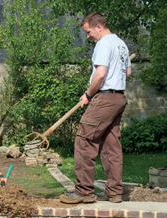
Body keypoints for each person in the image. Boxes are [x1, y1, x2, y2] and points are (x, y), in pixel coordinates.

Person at [60, 12, 132, 204]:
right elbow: (129, 72)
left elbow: (100, 75)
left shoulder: (104, 44)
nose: (88, 36)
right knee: (111, 146)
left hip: (104, 98)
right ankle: (114, 191)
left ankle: (84, 191)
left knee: (85, 140)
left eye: (88, 31)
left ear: (98, 27)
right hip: (119, 98)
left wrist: (89, 95)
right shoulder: (121, 44)